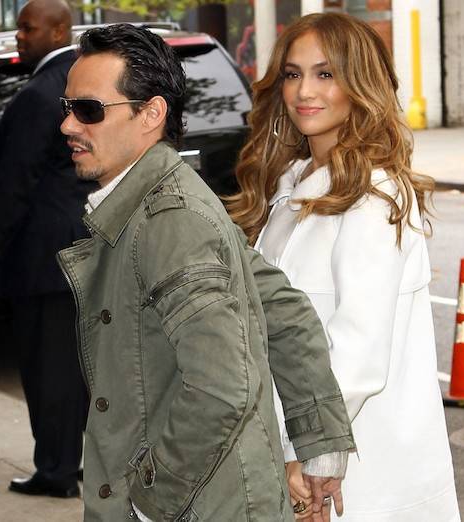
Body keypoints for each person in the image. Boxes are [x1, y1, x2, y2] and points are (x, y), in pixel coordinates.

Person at [57, 24, 355, 521]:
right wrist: (320, 444)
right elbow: (285, 312)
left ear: (151, 114)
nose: (69, 124)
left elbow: (222, 386)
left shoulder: (169, 219)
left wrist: (152, 500)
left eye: (88, 109)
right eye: (68, 107)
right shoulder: (164, 201)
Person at [226, 12, 460, 521]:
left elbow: (358, 351)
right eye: (293, 74)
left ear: (361, 84)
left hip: (357, 472)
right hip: (296, 447)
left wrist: (309, 455)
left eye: (325, 74)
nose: (304, 91)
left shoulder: (374, 197)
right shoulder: (290, 186)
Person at [0, 0, 93, 498]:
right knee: (76, 367)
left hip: (45, 253)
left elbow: (12, 188)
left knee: (49, 369)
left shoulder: (40, 94)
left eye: (27, 27)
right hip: (83, 245)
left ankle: (56, 472)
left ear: (59, 31)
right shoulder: (81, 82)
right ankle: (72, 464)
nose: (19, 35)